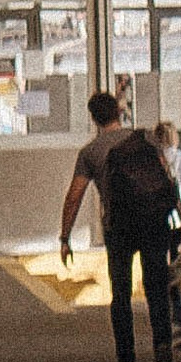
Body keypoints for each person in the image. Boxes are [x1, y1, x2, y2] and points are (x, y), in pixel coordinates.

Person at [96, 120, 181, 362]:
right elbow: (170, 184)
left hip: (121, 228)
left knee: (121, 294)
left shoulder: (102, 153)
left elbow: (90, 195)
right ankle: (162, 351)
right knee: (156, 290)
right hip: (154, 224)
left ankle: (126, 361)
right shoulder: (150, 145)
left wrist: (66, 236)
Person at [55, 89, 131, 263]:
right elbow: (169, 179)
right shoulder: (145, 139)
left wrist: (65, 238)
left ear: (94, 119)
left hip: (118, 223)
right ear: (118, 112)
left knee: (121, 283)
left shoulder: (90, 152)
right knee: (156, 281)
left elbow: (74, 197)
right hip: (153, 219)